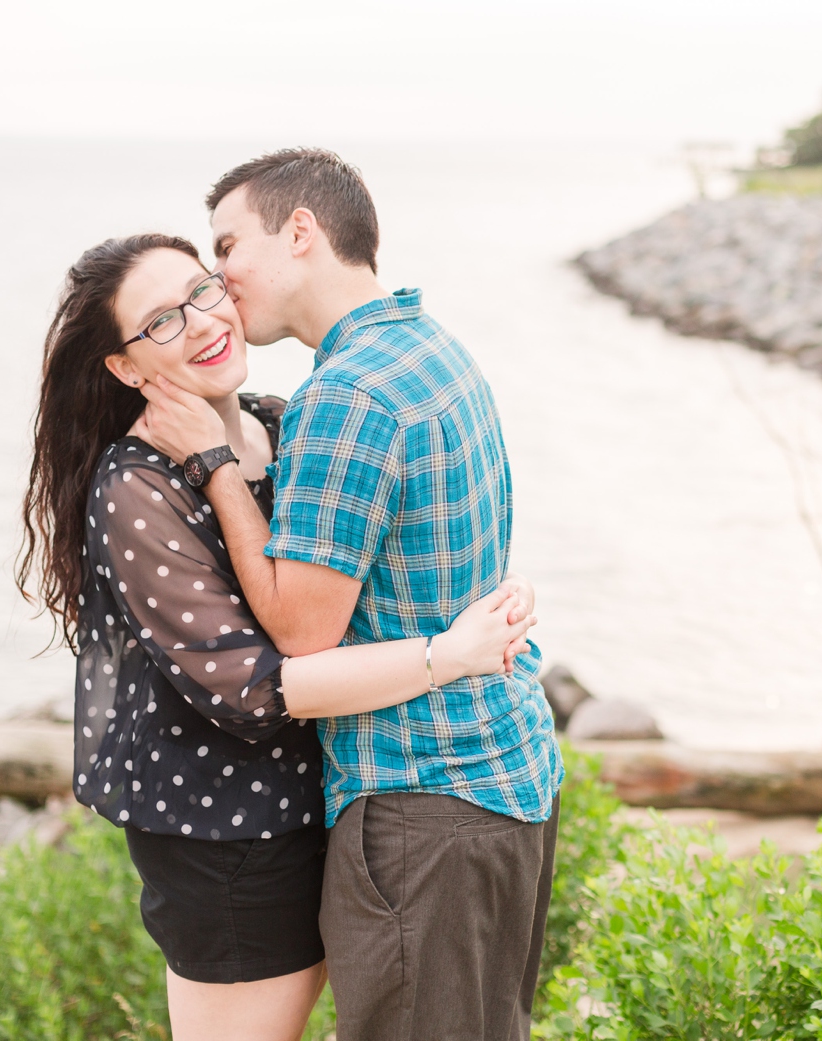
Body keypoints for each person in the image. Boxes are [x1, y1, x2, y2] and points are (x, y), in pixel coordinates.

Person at [18, 233, 538, 1041]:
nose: (199, 321)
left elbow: (354, 578)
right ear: (125, 368)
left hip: (334, 806)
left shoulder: (281, 422)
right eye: (159, 322)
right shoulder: (136, 489)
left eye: (201, 290)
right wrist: (449, 656)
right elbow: (257, 687)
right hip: (229, 844)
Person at [140, 148, 563, 1040]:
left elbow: (301, 631)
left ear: (301, 232)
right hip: (509, 771)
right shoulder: (430, 348)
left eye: (228, 246)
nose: (218, 278)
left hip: (422, 800)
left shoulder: (347, 393)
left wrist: (213, 463)